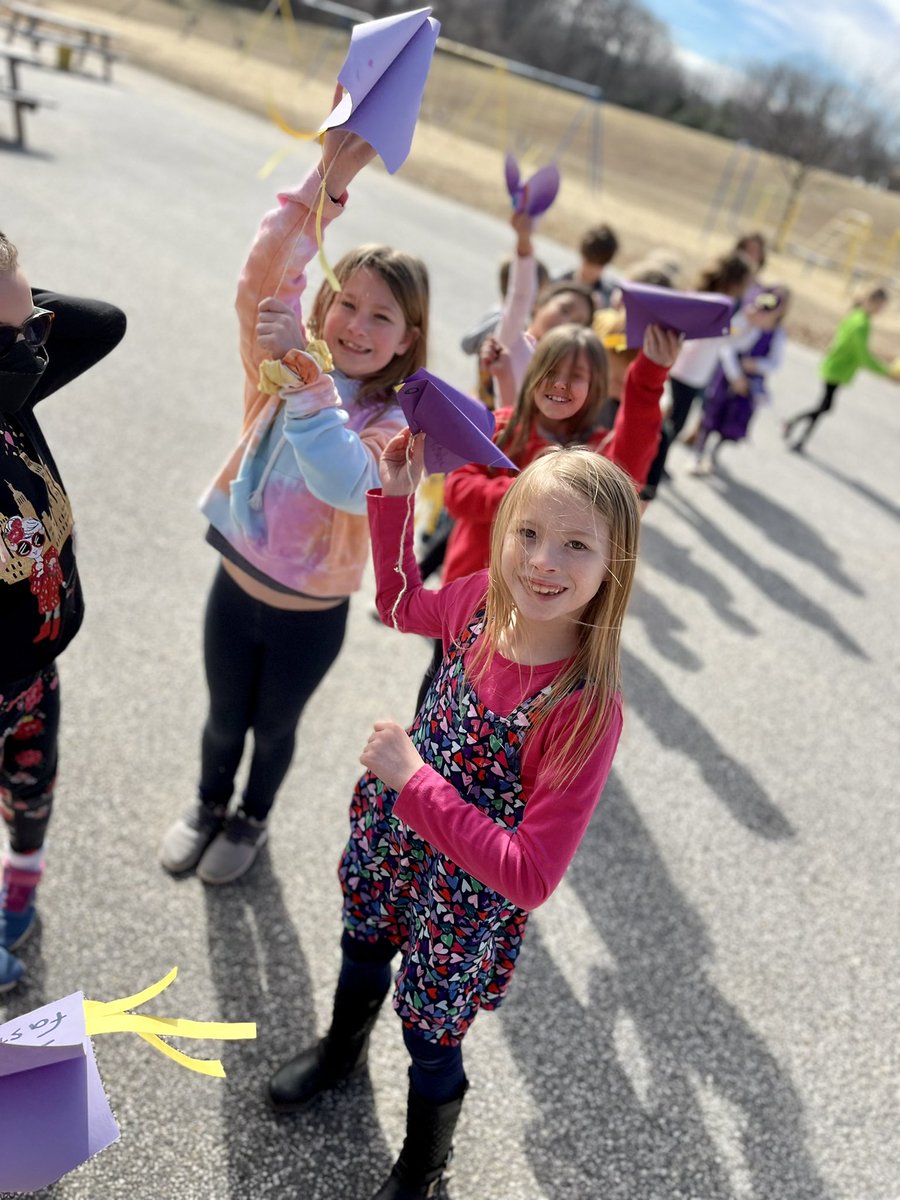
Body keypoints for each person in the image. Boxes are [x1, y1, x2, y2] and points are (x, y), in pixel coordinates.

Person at [267, 438, 642, 1200]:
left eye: (576, 545)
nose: (543, 560)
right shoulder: (477, 602)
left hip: (467, 893)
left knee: (430, 1032)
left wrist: (414, 780)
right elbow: (399, 602)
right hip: (396, 836)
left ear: (614, 566)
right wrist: (399, 496)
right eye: (528, 533)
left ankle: (423, 1166)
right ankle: (341, 1053)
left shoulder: (581, 708)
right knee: (361, 941)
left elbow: (532, 875)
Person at [159, 125, 429, 885]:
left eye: (384, 317)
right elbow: (260, 281)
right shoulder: (282, 360)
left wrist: (312, 389)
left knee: (274, 728)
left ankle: (252, 819)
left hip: (311, 616)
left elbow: (348, 482)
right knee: (221, 720)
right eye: (347, 303)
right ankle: (210, 803)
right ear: (326, 305)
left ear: (410, 340)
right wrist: (324, 182)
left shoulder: (397, 423)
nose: (358, 325)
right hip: (235, 585)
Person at [0, 232, 126, 990]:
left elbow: (104, 322)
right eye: (13, 339)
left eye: (37, 330)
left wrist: (19, 299)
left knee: (33, 791)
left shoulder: (16, 397)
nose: (36, 349)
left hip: (38, 674)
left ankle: (19, 887)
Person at [640, 250, 754, 499]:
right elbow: (717, 334)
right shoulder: (712, 303)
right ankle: (650, 466)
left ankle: (655, 463)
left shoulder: (722, 305)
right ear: (734, 281)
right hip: (684, 370)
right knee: (672, 423)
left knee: (674, 422)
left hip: (695, 373)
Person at [489, 210, 595, 411]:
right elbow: (519, 295)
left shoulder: (572, 375)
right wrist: (524, 244)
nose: (566, 323)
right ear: (538, 304)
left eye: (577, 323)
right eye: (564, 309)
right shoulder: (513, 342)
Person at [689, 286, 790, 474]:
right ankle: (697, 455)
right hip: (728, 375)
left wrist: (757, 365)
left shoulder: (777, 333)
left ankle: (713, 454)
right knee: (712, 413)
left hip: (749, 382)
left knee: (733, 420)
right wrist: (750, 326)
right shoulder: (746, 319)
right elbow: (728, 347)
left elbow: (775, 361)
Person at [782, 286, 893, 453]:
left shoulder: (856, 315)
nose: (880, 310)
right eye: (880, 306)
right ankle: (793, 424)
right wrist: (886, 370)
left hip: (836, 365)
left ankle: (800, 439)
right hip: (838, 368)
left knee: (824, 406)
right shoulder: (861, 323)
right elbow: (862, 355)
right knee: (825, 406)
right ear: (871, 301)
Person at [554, 221, 620, 309]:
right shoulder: (558, 282)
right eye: (589, 261)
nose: (592, 269)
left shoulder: (609, 297)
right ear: (582, 254)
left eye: (599, 264)